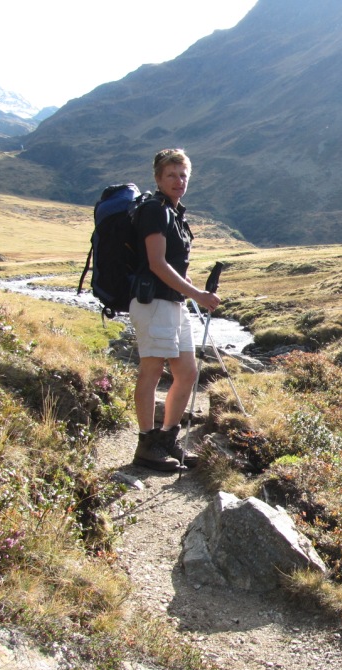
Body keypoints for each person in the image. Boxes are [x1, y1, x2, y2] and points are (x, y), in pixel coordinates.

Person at [131, 148, 220, 471]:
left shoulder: (175, 213)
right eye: (171, 175)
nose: (179, 181)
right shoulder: (154, 210)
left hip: (173, 302)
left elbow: (175, 264)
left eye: (183, 175)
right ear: (158, 178)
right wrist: (196, 294)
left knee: (187, 373)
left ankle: (167, 438)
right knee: (152, 371)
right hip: (153, 302)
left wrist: (191, 290)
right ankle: (146, 444)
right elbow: (157, 263)